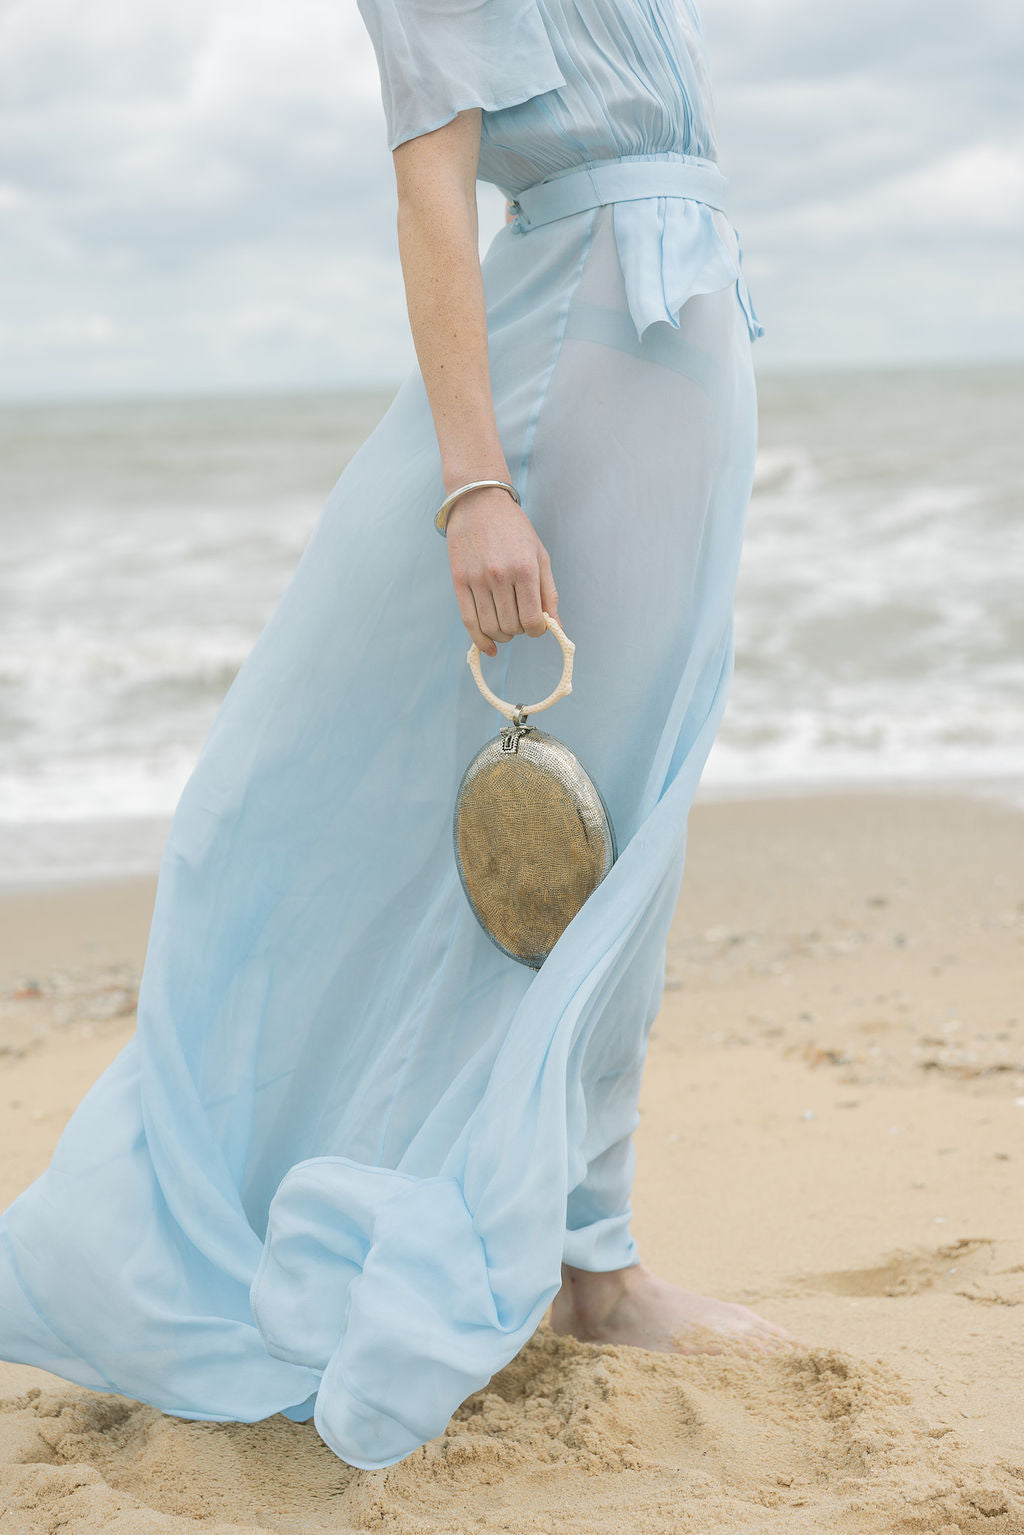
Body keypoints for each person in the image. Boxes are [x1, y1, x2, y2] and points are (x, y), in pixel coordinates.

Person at [0, 0, 793, 1473]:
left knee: (625, 843)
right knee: (387, 806)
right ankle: (572, 1267)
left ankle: (595, 1264)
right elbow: (433, 187)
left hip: (677, 342)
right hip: (587, 348)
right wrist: (476, 484)